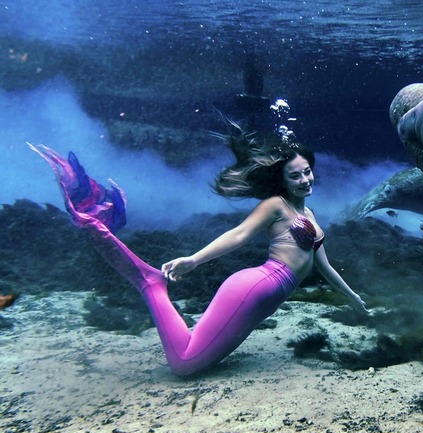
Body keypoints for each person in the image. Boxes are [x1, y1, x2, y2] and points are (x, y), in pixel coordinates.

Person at [30, 135, 367, 376]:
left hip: (266, 300)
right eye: (295, 175)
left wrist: (353, 298)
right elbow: (237, 235)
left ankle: (155, 289)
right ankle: (151, 285)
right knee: (184, 365)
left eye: (307, 171)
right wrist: (194, 260)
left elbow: (322, 265)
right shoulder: (274, 206)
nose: (305, 179)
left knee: (201, 359)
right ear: (281, 180)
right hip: (254, 288)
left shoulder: (310, 216)